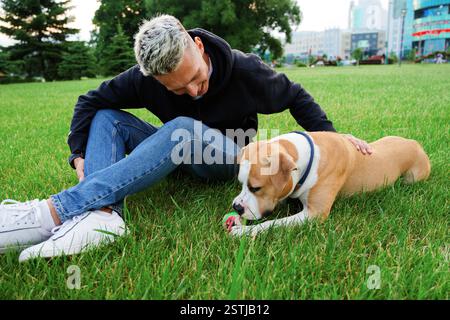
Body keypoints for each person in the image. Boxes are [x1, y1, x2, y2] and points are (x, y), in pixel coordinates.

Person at [0, 15, 373, 262]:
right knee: (107, 117)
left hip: (230, 156)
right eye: (177, 88)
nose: (194, 91)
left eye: (195, 78)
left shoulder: (244, 70)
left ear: (197, 46)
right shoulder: (145, 78)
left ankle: (54, 211)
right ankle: (102, 217)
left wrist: (334, 139)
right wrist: (78, 154)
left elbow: (295, 96)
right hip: (175, 154)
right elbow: (89, 101)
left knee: (181, 128)